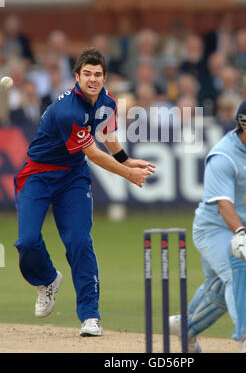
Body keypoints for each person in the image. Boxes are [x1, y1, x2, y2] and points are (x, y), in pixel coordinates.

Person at [14, 48, 155, 337]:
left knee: (79, 241)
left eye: (98, 74)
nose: (92, 79)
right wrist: (128, 174)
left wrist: (126, 159)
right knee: (27, 241)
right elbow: (92, 153)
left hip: (72, 179)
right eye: (87, 74)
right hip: (38, 175)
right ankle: (48, 280)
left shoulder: (108, 102)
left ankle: (90, 315)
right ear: (76, 77)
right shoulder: (68, 110)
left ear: (105, 78)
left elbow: (106, 136)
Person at [169, 95, 246, 353]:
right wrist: (239, 233)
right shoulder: (223, 157)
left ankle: (185, 329)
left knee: (217, 291)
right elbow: (223, 204)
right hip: (213, 229)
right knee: (240, 270)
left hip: (244, 228)